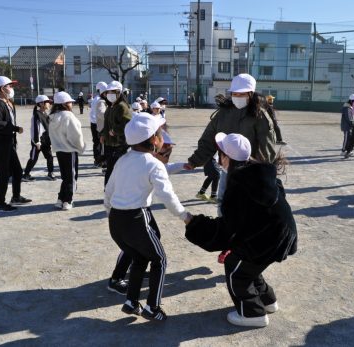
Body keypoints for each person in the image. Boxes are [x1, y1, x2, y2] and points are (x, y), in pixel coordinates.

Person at [185, 132, 297, 327]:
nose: (217, 158)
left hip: (267, 239)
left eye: (219, 153)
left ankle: (253, 314)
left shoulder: (238, 186)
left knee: (236, 269)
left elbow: (227, 230)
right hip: (282, 235)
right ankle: (268, 301)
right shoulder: (260, 173)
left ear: (226, 158)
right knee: (250, 265)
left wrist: (195, 225)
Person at [104, 112, 192, 321]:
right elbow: (167, 195)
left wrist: (111, 212)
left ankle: (131, 301)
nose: (163, 138)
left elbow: (109, 190)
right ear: (154, 139)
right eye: (161, 133)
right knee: (159, 259)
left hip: (116, 219)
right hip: (136, 218)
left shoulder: (124, 159)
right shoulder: (153, 164)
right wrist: (184, 215)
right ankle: (153, 307)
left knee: (139, 257)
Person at [185, 73, 277, 209]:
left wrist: (264, 173)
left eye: (242, 94)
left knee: (248, 206)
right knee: (224, 204)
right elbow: (208, 139)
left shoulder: (260, 115)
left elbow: (267, 148)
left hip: (250, 172)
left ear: (251, 94)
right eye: (235, 94)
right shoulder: (223, 113)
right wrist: (194, 161)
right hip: (227, 170)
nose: (237, 97)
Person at [0, 76, 32, 212]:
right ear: (1, 89)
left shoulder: (7, 102)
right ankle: (0, 204)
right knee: (3, 173)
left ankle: (16, 197)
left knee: (17, 171)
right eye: (9, 86)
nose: (12, 88)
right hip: (0, 145)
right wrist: (14, 128)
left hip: (8, 143)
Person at [48, 91, 85, 211]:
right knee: (72, 177)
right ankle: (68, 200)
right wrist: (81, 147)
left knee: (65, 177)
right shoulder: (68, 116)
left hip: (59, 150)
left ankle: (60, 199)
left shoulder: (52, 117)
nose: (71, 104)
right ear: (64, 104)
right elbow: (75, 135)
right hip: (69, 150)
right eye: (69, 102)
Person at [100, 81, 132, 186]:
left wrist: (115, 131)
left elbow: (128, 124)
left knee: (116, 170)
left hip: (120, 145)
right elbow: (107, 124)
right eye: (108, 92)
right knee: (110, 169)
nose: (110, 94)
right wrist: (103, 134)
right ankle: (108, 191)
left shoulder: (122, 107)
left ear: (119, 93)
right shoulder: (110, 107)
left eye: (113, 92)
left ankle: (113, 192)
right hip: (110, 144)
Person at [22, 95, 56, 182]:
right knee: (33, 158)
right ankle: (26, 174)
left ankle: (50, 173)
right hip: (38, 141)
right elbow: (35, 129)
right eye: (47, 102)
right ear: (41, 104)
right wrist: (37, 142)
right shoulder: (37, 115)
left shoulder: (45, 114)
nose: (49, 104)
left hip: (46, 141)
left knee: (50, 157)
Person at [89, 82, 107, 166]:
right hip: (98, 124)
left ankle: (97, 159)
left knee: (97, 142)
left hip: (94, 123)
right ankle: (98, 160)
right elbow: (100, 113)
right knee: (99, 143)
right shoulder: (99, 100)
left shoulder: (95, 99)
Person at [95, 83, 108, 168]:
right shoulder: (101, 102)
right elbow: (102, 114)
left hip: (106, 129)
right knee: (105, 150)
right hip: (103, 129)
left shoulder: (106, 102)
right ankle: (104, 166)